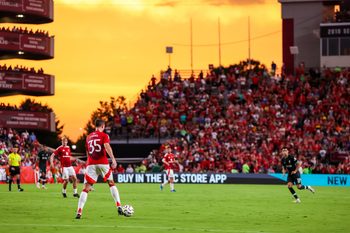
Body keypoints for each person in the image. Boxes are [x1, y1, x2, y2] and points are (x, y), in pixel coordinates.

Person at [76, 119, 124, 219]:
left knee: (86, 189)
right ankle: (119, 206)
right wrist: (113, 159)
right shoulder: (104, 136)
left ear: (95, 127)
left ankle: (79, 211)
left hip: (91, 163)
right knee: (111, 183)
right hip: (103, 163)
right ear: (102, 126)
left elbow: (87, 152)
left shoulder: (88, 137)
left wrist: (88, 163)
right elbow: (107, 146)